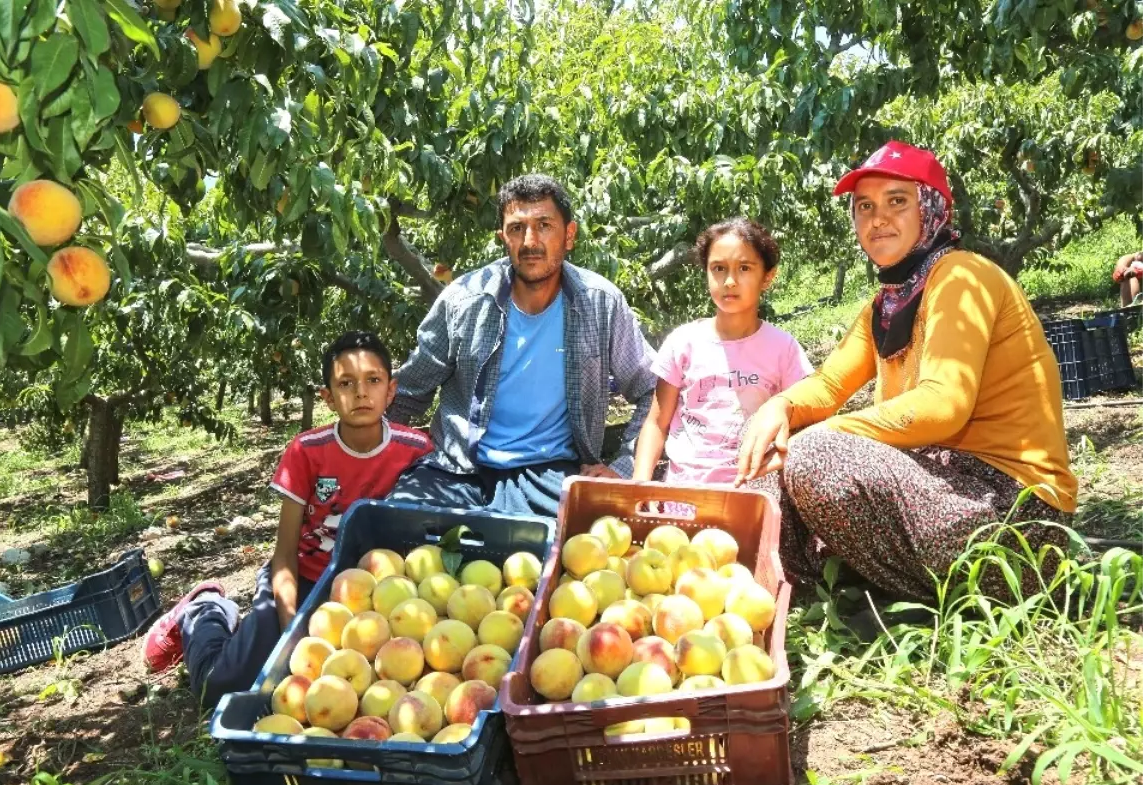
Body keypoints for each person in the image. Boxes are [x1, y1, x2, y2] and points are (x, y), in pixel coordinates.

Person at [735, 141, 1077, 605]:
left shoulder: (961, 277)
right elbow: (830, 385)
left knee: (815, 453)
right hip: (943, 491)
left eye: (897, 201)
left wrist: (813, 439)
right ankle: (798, 593)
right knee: (765, 442)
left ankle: (897, 591)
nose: (878, 219)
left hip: (1016, 519)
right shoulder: (888, 304)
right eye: (864, 207)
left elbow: (943, 405)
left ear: (932, 209)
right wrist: (779, 407)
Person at [140, 331, 431, 708]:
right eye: (346, 383)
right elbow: (285, 553)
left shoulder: (415, 450)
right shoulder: (307, 452)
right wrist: (291, 625)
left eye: (373, 380)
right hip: (307, 578)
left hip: (374, 593)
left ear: (391, 390)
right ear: (327, 397)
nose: (361, 392)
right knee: (220, 686)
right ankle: (204, 609)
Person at [386, 174, 657, 516]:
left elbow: (654, 389)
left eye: (544, 225)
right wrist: (370, 456)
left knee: (582, 549)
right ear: (504, 238)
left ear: (569, 236)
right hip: (459, 470)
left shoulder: (599, 303)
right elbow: (409, 391)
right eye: (517, 228)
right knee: (395, 526)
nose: (530, 241)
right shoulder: (465, 300)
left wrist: (624, 467)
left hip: (551, 472)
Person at [633, 218, 812, 485]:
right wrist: (639, 483)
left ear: (767, 277)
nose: (729, 281)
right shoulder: (682, 342)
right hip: (684, 491)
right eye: (718, 268)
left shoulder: (784, 349)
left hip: (755, 491)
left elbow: (804, 424)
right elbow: (656, 424)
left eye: (744, 268)